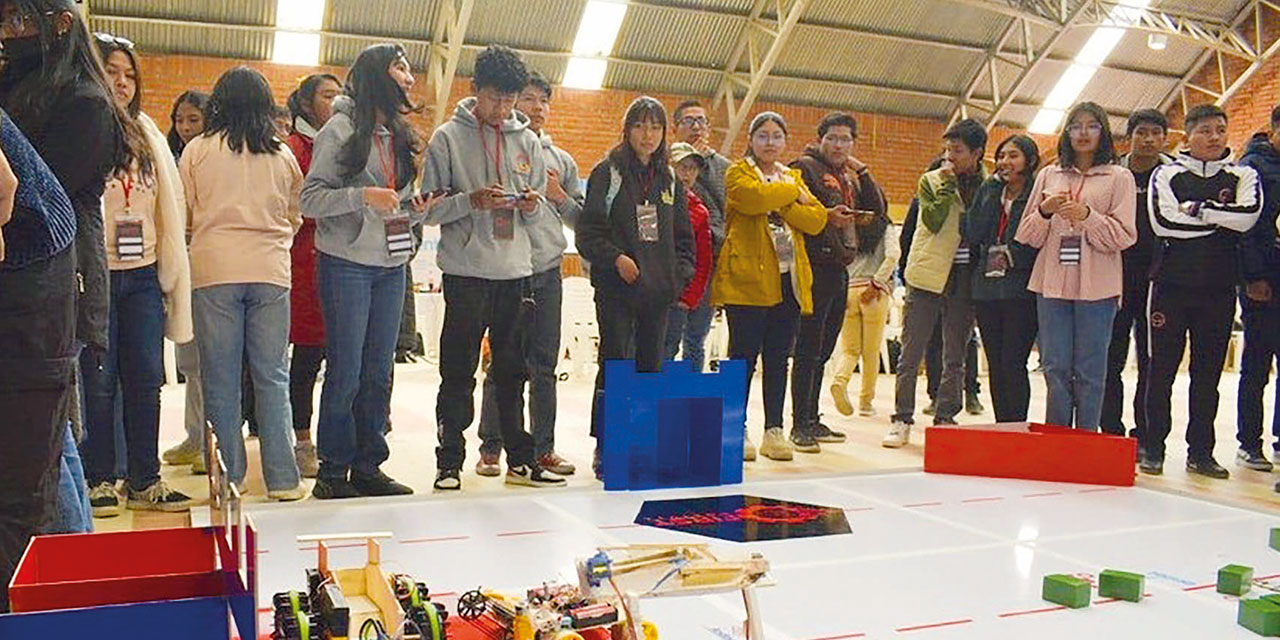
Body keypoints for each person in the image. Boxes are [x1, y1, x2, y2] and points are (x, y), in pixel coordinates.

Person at [0, 0, 129, 611]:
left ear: (55, 24)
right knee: (59, 448)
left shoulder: (82, 102)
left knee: (52, 454)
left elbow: (35, 202)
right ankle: (79, 575)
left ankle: (75, 581)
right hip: (32, 294)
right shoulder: (27, 85)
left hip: (55, 291)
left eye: (16, 22)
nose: (8, 35)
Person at [420, 44, 564, 491]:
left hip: (515, 271)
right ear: (474, 91)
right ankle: (449, 461)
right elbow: (427, 210)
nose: (502, 109)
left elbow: (538, 210)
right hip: (465, 272)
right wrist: (470, 201)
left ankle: (520, 461)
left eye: (510, 100)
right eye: (494, 99)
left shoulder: (528, 142)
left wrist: (532, 204)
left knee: (512, 370)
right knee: (457, 370)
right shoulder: (447, 138)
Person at [303, 44, 438, 498]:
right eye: (400, 68)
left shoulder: (399, 134)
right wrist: (362, 196)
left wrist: (417, 210)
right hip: (346, 266)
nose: (409, 77)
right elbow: (309, 199)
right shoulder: (339, 130)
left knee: (380, 371)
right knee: (347, 370)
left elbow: (394, 206)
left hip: (391, 266)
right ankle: (332, 471)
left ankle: (368, 465)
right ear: (377, 75)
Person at [79, 34, 194, 516]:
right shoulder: (82, 126)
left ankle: (145, 479)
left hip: (144, 275)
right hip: (99, 274)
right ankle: (100, 477)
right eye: (112, 72)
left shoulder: (146, 132)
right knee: (99, 382)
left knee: (147, 377)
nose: (122, 82)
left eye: (129, 74)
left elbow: (167, 206)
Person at [182, 66, 306, 501]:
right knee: (273, 376)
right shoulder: (282, 154)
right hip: (271, 271)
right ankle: (283, 480)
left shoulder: (197, 150)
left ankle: (227, 481)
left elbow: (188, 213)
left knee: (220, 378)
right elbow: (295, 214)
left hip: (213, 269)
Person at [577, 97, 695, 477]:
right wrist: (616, 259)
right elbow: (588, 233)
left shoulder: (670, 178)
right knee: (614, 364)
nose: (648, 135)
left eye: (656, 127)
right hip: (616, 290)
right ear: (627, 130)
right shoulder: (608, 173)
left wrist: (676, 276)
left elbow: (683, 236)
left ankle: (642, 443)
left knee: (651, 367)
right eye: (640, 126)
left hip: (657, 294)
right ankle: (606, 446)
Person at [1143, 104, 1260, 478]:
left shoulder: (1243, 174)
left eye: (1220, 131)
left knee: (1207, 374)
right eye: (1205, 130)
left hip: (1219, 289)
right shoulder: (1167, 174)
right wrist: (1218, 221)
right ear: (1188, 136)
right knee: (1159, 371)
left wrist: (1198, 209)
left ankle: (1201, 452)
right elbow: (1163, 223)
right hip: (1170, 287)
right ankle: (1153, 447)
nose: (1214, 138)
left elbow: (1247, 218)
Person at [476, 70, 583, 477]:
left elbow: (580, 218)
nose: (537, 108)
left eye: (544, 100)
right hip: (507, 271)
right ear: (511, 102)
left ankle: (543, 449)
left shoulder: (563, 161)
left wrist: (558, 197)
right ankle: (491, 446)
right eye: (529, 99)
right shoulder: (499, 151)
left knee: (544, 363)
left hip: (547, 270)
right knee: (503, 361)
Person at [712, 111, 827, 462]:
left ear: (785, 141)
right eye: (763, 135)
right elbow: (751, 200)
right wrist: (791, 195)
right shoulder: (738, 172)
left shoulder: (790, 175)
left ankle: (773, 429)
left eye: (777, 136)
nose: (770, 142)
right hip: (747, 280)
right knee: (742, 357)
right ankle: (735, 426)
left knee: (779, 358)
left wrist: (782, 197)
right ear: (751, 139)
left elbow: (817, 218)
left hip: (787, 281)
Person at [1015, 101, 1136, 431]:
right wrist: (1044, 212)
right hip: (1051, 284)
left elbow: (1124, 237)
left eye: (1092, 126)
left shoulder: (1119, 177)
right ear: (1066, 133)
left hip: (1098, 288)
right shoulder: (1048, 174)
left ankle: (1085, 440)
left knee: (1090, 371)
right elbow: (1026, 234)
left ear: (1103, 133)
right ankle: (1057, 439)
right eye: (1076, 126)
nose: (1083, 133)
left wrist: (1088, 217)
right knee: (1054, 366)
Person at [884, 119, 986, 448]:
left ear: (977, 153)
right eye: (947, 150)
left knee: (955, 351)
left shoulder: (987, 186)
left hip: (964, 278)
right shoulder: (930, 180)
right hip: (927, 275)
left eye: (957, 151)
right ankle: (901, 418)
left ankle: (945, 416)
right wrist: (946, 184)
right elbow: (932, 218)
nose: (950, 156)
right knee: (911, 352)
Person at [790, 112, 882, 448]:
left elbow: (878, 211)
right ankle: (799, 423)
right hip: (813, 266)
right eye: (832, 138)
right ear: (820, 139)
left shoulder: (848, 176)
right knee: (808, 348)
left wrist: (864, 170)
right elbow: (796, 211)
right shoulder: (803, 168)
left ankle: (813, 418)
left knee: (825, 349)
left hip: (840, 268)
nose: (839, 145)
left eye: (845, 139)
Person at [1101, 109, 1171, 439]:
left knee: (1150, 361)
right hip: (1115, 278)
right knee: (1109, 358)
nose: (1148, 139)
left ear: (1165, 138)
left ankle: (1144, 434)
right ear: (1129, 137)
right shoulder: (1113, 174)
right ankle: (1110, 429)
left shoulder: (1173, 176)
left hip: (1158, 283)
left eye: (1156, 133)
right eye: (1142, 132)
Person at [284, 72, 341, 479]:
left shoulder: (347, 141)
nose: (335, 102)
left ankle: (340, 437)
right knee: (306, 357)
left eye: (340, 95)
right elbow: (297, 205)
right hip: (303, 264)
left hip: (345, 261)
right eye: (327, 95)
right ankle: (302, 440)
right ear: (306, 104)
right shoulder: (294, 147)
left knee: (343, 359)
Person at [966, 134, 1040, 422]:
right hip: (987, 289)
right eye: (1001, 156)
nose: (1004, 162)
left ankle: (1017, 426)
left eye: (1013, 156)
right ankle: (1002, 427)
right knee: (995, 363)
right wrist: (990, 191)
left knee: (1013, 362)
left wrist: (1015, 256)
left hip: (1021, 290)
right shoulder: (990, 189)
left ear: (1029, 160)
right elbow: (973, 232)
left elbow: (1038, 237)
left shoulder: (1037, 192)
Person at [161, 90, 214, 473]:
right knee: (189, 360)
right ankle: (194, 437)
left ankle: (210, 441)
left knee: (211, 362)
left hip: (211, 268)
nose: (184, 127)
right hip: (178, 268)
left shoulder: (216, 156)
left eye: (193, 119)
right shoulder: (169, 157)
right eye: (180, 119)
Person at [664, 99, 730, 371]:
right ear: (675, 127)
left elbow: (724, 206)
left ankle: (688, 396)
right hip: (672, 263)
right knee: (667, 338)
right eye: (688, 121)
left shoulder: (723, 166)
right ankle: (660, 396)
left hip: (708, 260)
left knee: (696, 338)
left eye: (701, 121)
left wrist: (702, 168)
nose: (696, 126)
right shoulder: (664, 161)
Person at [1236, 103, 1280, 476]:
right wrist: (1253, 277)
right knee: (1256, 365)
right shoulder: (1252, 168)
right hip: (1263, 281)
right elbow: (1247, 227)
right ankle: (1249, 443)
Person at [166, 90, 208, 158]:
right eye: (179, 120)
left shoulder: (219, 156)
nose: (185, 127)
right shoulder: (170, 158)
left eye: (193, 120)